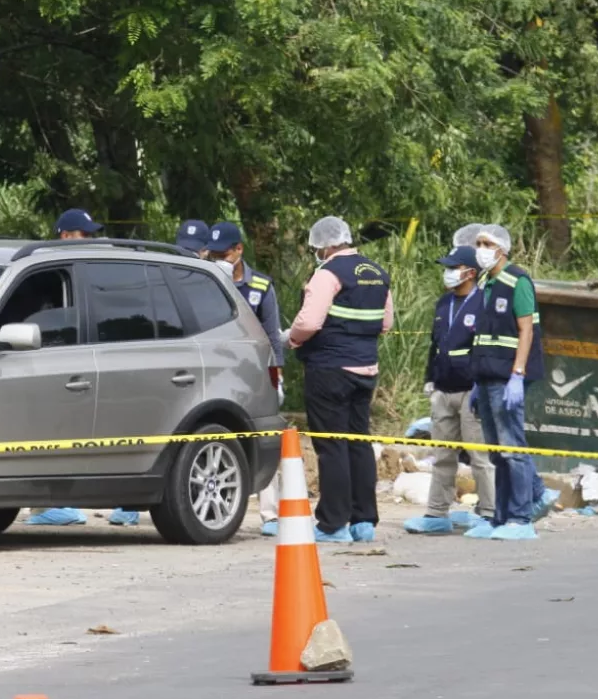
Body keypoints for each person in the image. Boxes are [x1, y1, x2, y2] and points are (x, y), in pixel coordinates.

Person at [287, 216, 393, 543]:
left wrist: (290, 339)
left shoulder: (327, 274)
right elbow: (386, 323)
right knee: (358, 443)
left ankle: (333, 524)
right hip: (365, 370)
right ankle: (364, 522)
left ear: (326, 246)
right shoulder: (377, 273)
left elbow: (308, 322)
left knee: (331, 445)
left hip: (330, 369)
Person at [108, 219, 213, 527]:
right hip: (134, 369)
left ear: (206, 252)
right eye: (185, 249)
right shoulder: (151, 278)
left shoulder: (200, 283)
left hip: (179, 372)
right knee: (128, 432)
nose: (188, 256)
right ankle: (126, 504)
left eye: (195, 251)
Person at [464, 225, 558, 540]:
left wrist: (517, 374)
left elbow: (526, 330)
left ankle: (520, 516)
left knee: (512, 446)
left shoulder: (517, 281)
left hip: (508, 375)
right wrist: (476, 380)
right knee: (496, 449)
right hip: (487, 373)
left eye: (486, 243)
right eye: (478, 243)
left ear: (501, 248)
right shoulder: (484, 281)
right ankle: (499, 516)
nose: (481, 248)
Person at [403, 245, 496, 534]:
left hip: (471, 390)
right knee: (443, 456)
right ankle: (436, 513)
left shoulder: (484, 303)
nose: (448, 273)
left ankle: (489, 513)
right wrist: (430, 378)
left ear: (469, 272)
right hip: (442, 391)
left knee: (480, 457)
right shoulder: (444, 304)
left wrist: (483, 384)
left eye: (453, 267)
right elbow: (435, 344)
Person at [206, 222, 287, 536]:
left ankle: (270, 514)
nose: (218, 259)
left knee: (262, 438)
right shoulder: (205, 281)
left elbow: (272, 335)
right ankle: (218, 507)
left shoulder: (262, 287)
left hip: (251, 375)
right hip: (213, 373)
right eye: (213, 254)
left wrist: (276, 375)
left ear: (239, 250)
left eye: (224, 253)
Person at [27, 208, 104, 527]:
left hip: (76, 366)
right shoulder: (46, 272)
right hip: (45, 364)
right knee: (48, 434)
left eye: (88, 235)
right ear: (65, 236)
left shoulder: (79, 273)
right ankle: (44, 504)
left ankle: (59, 501)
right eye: (82, 235)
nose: (88, 240)